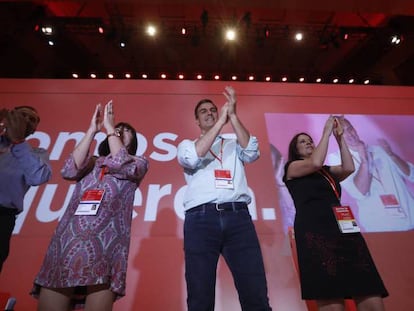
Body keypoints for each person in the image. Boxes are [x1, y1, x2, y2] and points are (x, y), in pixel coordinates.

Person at [32, 101, 148, 310]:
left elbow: (120, 162)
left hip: (107, 244)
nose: (120, 131)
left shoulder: (137, 162)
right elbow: (68, 170)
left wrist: (111, 128)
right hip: (68, 241)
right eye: (117, 129)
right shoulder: (93, 161)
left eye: (126, 131)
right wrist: (92, 130)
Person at [177, 86, 272, 311]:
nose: (210, 113)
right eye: (204, 111)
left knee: (255, 291)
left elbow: (252, 152)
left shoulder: (233, 144)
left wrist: (234, 117)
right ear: (197, 121)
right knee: (200, 295)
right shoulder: (186, 145)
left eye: (213, 109)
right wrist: (221, 121)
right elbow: (192, 158)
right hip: (201, 220)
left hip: (238, 217)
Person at [283, 115, 388, 311]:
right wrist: (326, 132)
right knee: (329, 292)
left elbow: (349, 167)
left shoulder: (325, 171)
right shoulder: (292, 167)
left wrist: (339, 139)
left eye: (310, 140)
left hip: (344, 230)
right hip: (315, 232)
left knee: (367, 287)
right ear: (295, 150)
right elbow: (314, 163)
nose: (308, 143)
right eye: (302, 142)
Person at [328, 117, 414, 232]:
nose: (349, 134)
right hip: (379, 227)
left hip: (410, 220)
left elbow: (411, 175)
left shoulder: (379, 150)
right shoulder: (337, 159)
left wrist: (392, 155)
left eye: (350, 129)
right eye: (343, 132)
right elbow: (359, 192)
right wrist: (364, 160)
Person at [0, 106, 51, 273]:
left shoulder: (36, 154)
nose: (27, 121)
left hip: (3, 216)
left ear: (34, 130)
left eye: (33, 120)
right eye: (23, 115)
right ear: (9, 118)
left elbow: (38, 177)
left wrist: (18, 142)